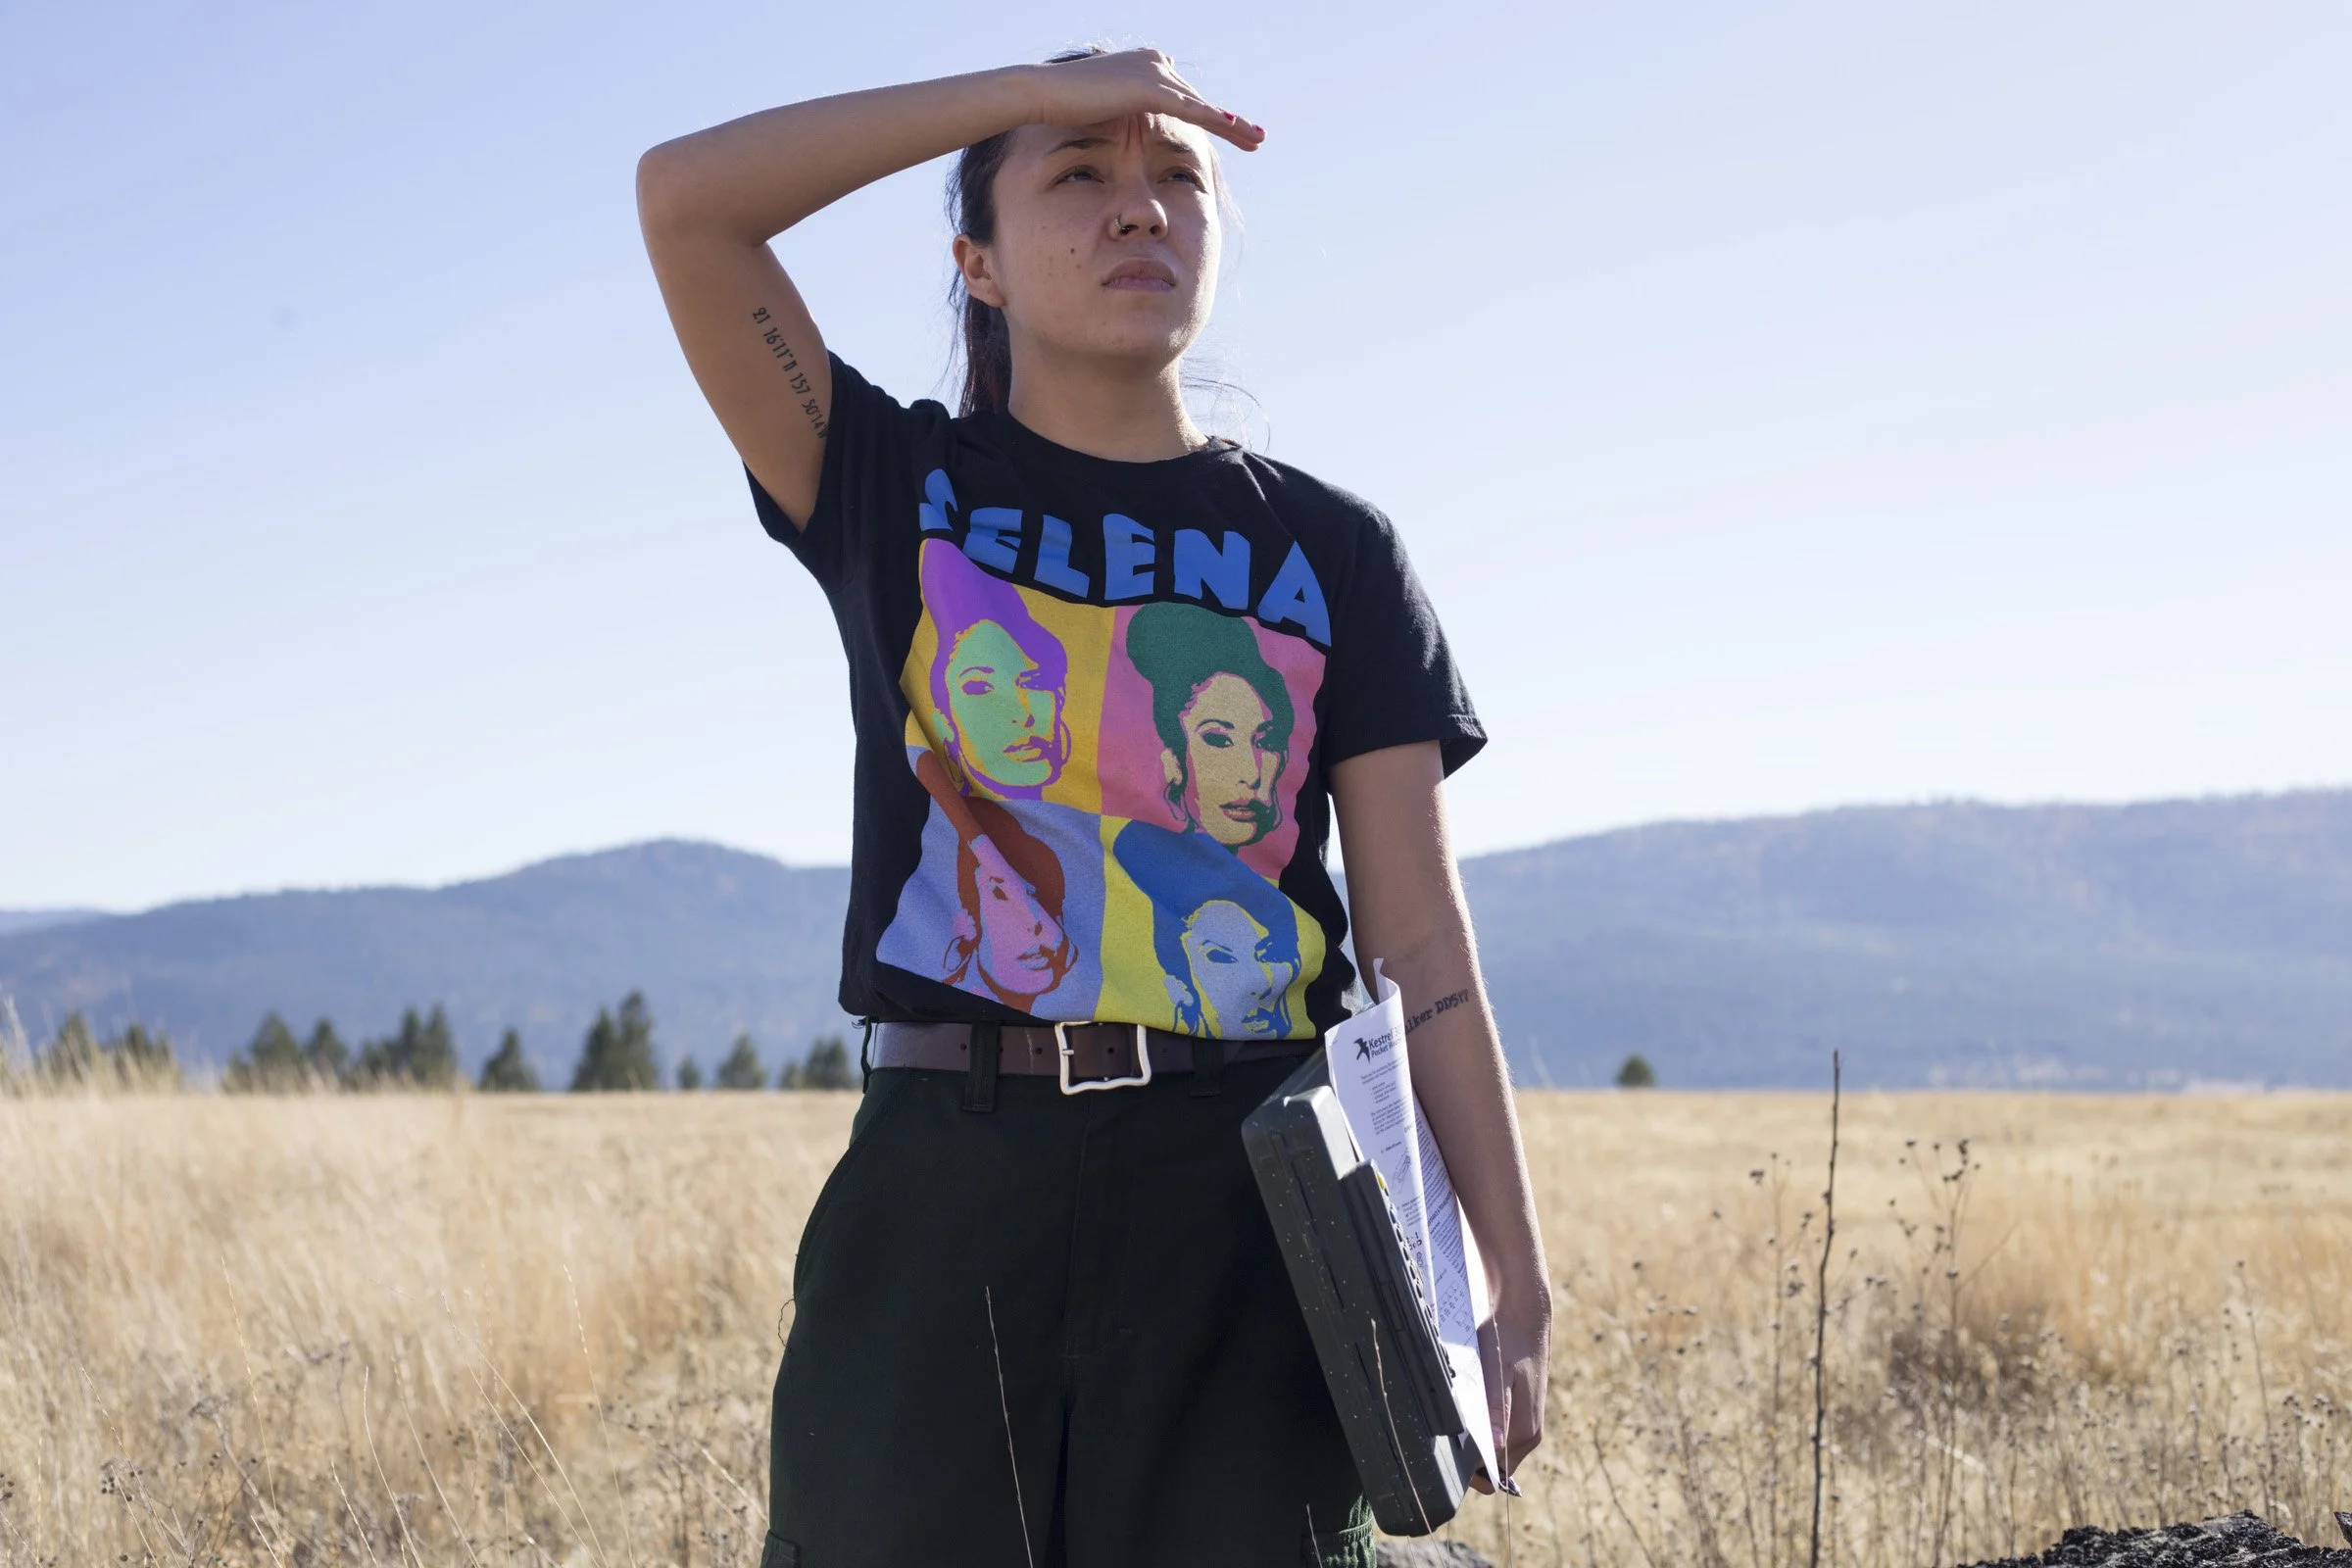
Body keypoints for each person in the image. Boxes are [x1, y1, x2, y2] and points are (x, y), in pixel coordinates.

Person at [639, 46, 1551, 1568]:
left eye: (1175, 179)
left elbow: (1420, 949)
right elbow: (688, 205)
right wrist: (1030, 85)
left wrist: (1510, 1268)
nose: (1141, 210)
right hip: (948, 1180)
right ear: (974, 264)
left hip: (1256, 1201)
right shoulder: (889, 482)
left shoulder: (1333, 549)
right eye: (1079, 175)